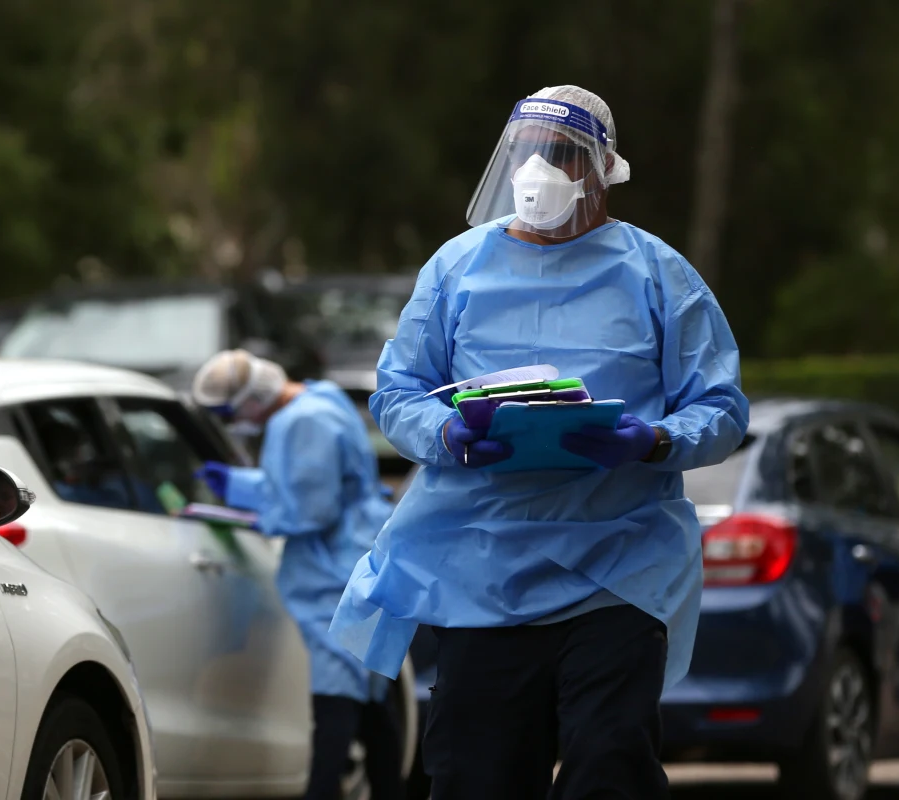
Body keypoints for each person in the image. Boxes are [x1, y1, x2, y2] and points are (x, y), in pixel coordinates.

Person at [329, 85, 750, 800]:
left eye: (561, 156)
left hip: (616, 569)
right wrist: (448, 433)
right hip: (480, 570)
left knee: (609, 765)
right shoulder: (456, 269)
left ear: (602, 171)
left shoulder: (657, 274)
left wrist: (652, 441)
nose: (538, 172)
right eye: (526, 154)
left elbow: (720, 405)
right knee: (473, 775)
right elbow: (397, 392)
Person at [192, 349, 404, 800]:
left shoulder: (298, 421)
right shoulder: (321, 398)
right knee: (368, 696)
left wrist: (259, 519)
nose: (233, 423)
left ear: (250, 400)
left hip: (332, 567)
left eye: (228, 413)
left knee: (336, 695)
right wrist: (237, 485)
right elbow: (300, 480)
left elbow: (309, 508)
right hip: (360, 551)